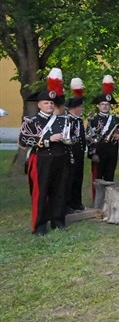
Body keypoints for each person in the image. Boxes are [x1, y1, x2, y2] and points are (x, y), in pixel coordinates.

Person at [19, 68, 70, 235]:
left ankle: (58, 221)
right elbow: (24, 140)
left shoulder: (62, 120)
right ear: (39, 104)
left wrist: (66, 139)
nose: (49, 105)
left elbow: (73, 138)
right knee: (40, 193)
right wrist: (48, 139)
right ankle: (40, 226)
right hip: (41, 159)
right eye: (46, 103)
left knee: (59, 190)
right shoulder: (31, 121)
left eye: (51, 103)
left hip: (61, 158)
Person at [87, 75, 119, 206]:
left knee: (109, 177)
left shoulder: (116, 119)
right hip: (99, 152)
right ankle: (97, 202)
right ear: (98, 106)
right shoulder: (93, 120)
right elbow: (89, 138)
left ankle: (108, 201)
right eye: (102, 104)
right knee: (97, 179)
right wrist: (93, 154)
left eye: (107, 104)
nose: (105, 106)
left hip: (112, 152)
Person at [64, 78, 87, 213]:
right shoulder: (68, 120)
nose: (82, 109)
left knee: (78, 178)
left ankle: (76, 202)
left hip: (79, 154)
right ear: (75, 108)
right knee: (69, 179)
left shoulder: (78, 121)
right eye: (81, 107)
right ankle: (67, 204)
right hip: (70, 154)